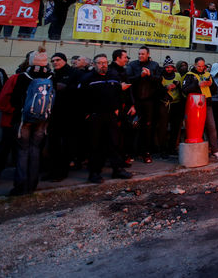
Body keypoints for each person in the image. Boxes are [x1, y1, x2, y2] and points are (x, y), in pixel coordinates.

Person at [78, 54, 133, 183]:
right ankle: (94, 173)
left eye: (105, 62)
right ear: (93, 64)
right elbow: (80, 98)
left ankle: (117, 170)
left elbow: (119, 94)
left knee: (114, 143)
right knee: (95, 145)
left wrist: (117, 109)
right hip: (95, 117)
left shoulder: (113, 77)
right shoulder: (87, 78)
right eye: (99, 63)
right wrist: (87, 114)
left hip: (111, 116)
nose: (103, 65)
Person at [0, 52, 31, 188]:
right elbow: (3, 100)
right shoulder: (16, 78)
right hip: (12, 120)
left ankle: (21, 177)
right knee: (4, 148)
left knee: (22, 150)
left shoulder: (41, 80)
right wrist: (15, 111)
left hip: (28, 121)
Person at [9, 51, 52, 196]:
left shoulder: (24, 76)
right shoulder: (51, 76)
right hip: (43, 119)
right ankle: (33, 184)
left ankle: (20, 186)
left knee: (22, 151)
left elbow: (14, 99)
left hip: (24, 119)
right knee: (35, 150)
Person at [181, 56, 218, 160]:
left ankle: (215, 150)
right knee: (196, 129)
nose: (201, 68)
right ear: (195, 65)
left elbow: (215, 89)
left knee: (212, 127)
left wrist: (210, 84)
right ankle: (198, 150)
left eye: (203, 66)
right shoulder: (189, 76)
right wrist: (197, 84)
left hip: (207, 104)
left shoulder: (208, 75)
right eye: (199, 66)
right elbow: (184, 90)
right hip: (194, 106)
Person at [126, 46, 161, 163]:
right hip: (135, 100)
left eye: (143, 54)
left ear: (148, 54)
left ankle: (146, 152)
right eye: (139, 54)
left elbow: (159, 80)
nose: (140, 56)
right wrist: (139, 76)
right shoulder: (132, 65)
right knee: (133, 126)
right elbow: (128, 80)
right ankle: (130, 153)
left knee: (148, 127)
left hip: (149, 101)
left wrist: (150, 75)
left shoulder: (154, 65)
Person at [43, 53, 74, 181]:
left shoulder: (72, 73)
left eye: (58, 60)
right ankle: (52, 171)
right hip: (53, 114)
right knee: (53, 144)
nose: (55, 62)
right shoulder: (52, 74)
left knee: (64, 145)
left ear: (65, 60)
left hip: (67, 114)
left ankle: (62, 171)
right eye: (53, 60)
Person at [110, 49, 136, 164]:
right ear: (118, 58)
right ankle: (116, 159)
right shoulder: (111, 72)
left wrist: (132, 105)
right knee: (114, 135)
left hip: (125, 107)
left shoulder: (124, 71)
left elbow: (129, 89)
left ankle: (122, 157)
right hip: (114, 108)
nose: (127, 59)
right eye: (125, 57)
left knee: (125, 133)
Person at [157, 56, 182, 157]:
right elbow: (157, 91)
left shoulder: (177, 75)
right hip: (164, 104)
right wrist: (166, 88)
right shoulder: (161, 76)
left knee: (175, 128)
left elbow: (181, 89)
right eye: (167, 67)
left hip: (176, 104)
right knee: (163, 128)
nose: (169, 69)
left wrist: (178, 85)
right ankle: (162, 149)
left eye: (170, 67)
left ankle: (172, 148)